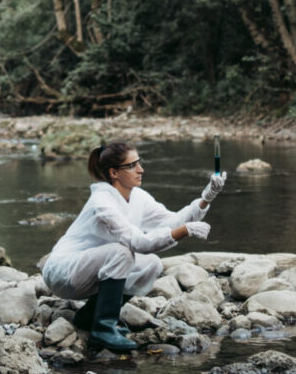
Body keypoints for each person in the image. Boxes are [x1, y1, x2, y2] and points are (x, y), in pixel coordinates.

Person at [40, 142, 226, 353]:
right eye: (132, 165)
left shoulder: (137, 196)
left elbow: (172, 221)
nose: (141, 169)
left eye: (140, 163)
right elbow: (140, 243)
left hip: (91, 268)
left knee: (152, 264)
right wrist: (185, 231)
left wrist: (206, 198)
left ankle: (89, 317)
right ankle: (103, 328)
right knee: (123, 251)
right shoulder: (102, 202)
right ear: (114, 173)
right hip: (63, 273)